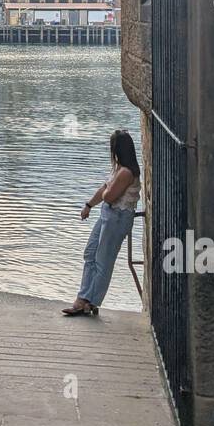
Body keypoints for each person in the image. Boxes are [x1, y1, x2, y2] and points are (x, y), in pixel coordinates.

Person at [63, 129, 141, 317]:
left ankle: (86, 301)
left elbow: (110, 195)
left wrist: (107, 192)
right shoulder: (118, 169)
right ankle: (86, 299)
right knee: (90, 253)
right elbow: (104, 190)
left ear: (117, 149)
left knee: (103, 261)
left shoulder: (126, 173)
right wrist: (89, 205)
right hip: (108, 214)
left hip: (118, 217)